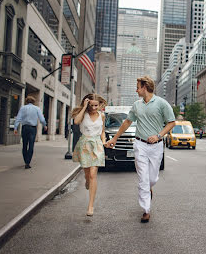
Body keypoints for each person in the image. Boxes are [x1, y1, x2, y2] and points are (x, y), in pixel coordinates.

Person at [106, 76, 175, 223]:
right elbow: (127, 122)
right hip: (140, 144)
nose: (136, 89)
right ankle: (146, 210)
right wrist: (114, 138)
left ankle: (148, 189)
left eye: (138, 86)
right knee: (143, 178)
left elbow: (171, 122)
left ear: (145, 87)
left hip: (156, 146)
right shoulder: (136, 105)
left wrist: (158, 136)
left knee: (152, 178)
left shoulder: (162, 103)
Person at [72, 94, 107, 217]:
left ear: (100, 105)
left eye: (96, 105)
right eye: (91, 105)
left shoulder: (102, 115)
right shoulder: (84, 114)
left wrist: (103, 141)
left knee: (93, 174)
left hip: (97, 144)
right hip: (85, 144)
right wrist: (84, 107)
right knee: (87, 174)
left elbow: (102, 131)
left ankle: (90, 206)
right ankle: (87, 181)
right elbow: (76, 121)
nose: (93, 108)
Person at [14, 95, 48, 169]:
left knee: (24, 145)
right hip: (32, 128)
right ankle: (27, 162)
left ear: (26, 101)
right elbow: (42, 119)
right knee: (31, 145)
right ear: (33, 102)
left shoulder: (23, 108)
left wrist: (15, 128)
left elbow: (18, 118)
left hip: (25, 127)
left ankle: (25, 159)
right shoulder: (37, 108)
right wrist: (44, 125)